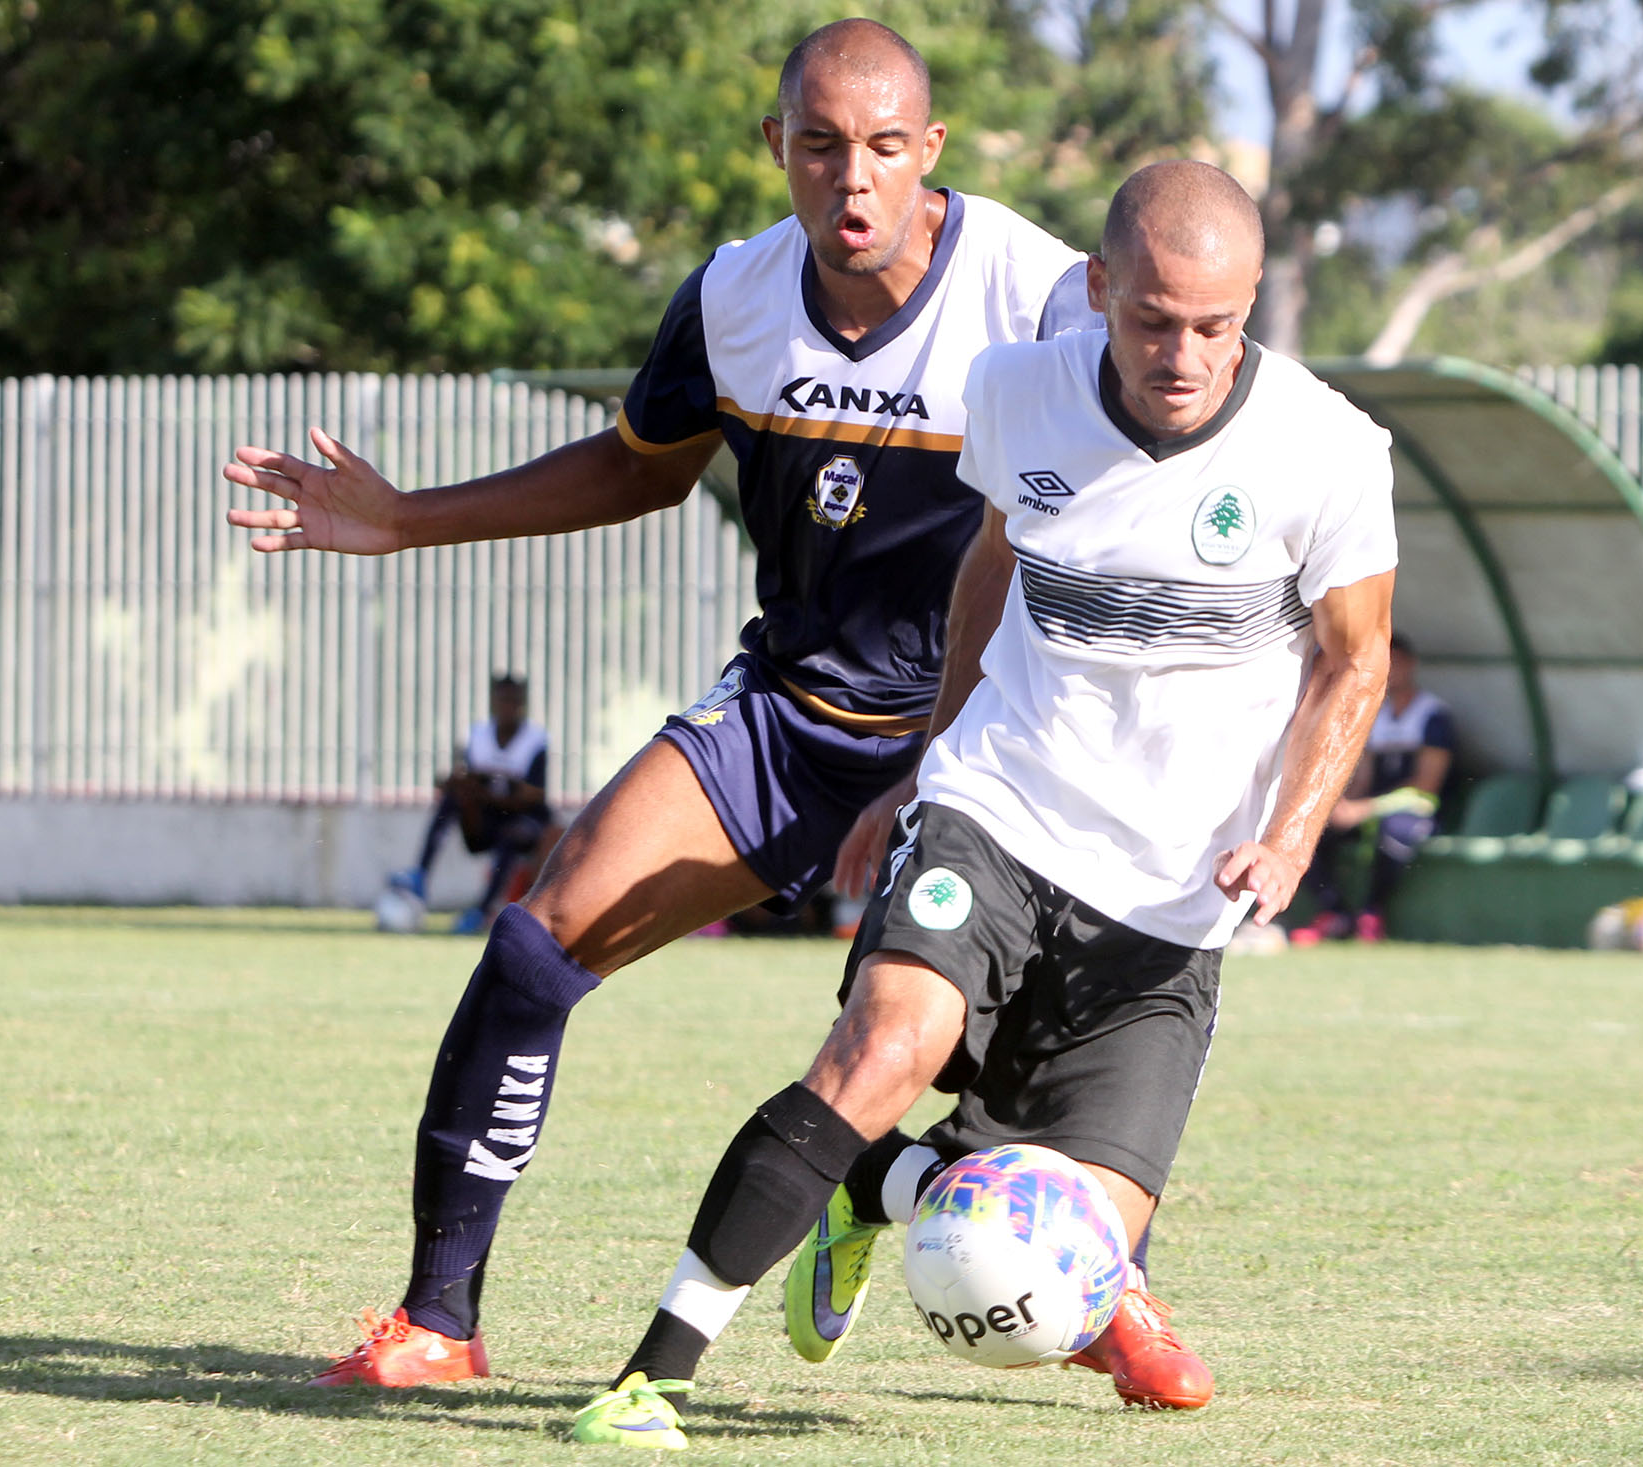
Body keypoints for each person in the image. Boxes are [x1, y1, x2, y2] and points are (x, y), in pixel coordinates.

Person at [219, 18, 1152, 1396]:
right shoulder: (733, 297)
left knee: (1015, 1059)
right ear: (777, 145)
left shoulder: (1037, 292)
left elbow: (1138, 481)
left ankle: (1113, 1282)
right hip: (791, 717)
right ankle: (437, 1319)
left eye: (887, 147)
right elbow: (637, 467)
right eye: (822, 145)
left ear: (931, 150)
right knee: (537, 946)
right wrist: (408, 518)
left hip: (984, 737)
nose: (855, 179)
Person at [567, 159, 1398, 1449]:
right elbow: (991, 560)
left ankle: (880, 1183)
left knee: (1066, 1269)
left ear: (1251, 312)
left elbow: (1357, 660)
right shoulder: (1016, 391)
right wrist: (930, 759)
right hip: (1000, 810)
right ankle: (653, 1374)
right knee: (879, 1049)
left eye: (1216, 327)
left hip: (1172, 895)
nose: (1183, 355)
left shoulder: (1329, 450)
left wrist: (1288, 836)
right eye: (1152, 321)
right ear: (1099, 290)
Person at [1289, 633, 1453, 944]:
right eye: (1385, 663)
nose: (1390, 671)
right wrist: (1341, 805)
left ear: (1411, 665)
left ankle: (1371, 914)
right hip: (1371, 808)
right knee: (1311, 830)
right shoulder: (1375, 713)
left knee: (1394, 832)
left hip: (1416, 809)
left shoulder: (1432, 716)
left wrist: (1365, 809)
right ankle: (1334, 913)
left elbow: (1426, 785)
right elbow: (1362, 777)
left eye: (1397, 663)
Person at [391, 675, 554, 936]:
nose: (507, 707)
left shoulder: (535, 740)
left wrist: (494, 785)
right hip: (486, 822)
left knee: (512, 833)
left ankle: (481, 910)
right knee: (452, 799)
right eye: (502, 700)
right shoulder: (478, 735)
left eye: (514, 701)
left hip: (525, 823)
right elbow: (463, 778)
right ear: (493, 702)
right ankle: (419, 875)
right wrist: (460, 783)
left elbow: (534, 795)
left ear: (522, 704)